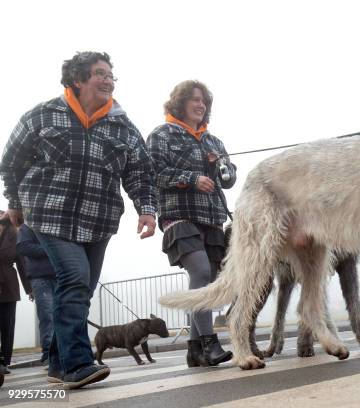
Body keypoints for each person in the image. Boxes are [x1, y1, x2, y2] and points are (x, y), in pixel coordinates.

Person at [0, 51, 157, 389]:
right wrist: (15, 200)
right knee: (73, 279)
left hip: (98, 220)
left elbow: (140, 172)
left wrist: (146, 209)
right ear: (78, 79)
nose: (109, 80)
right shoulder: (42, 115)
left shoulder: (122, 126)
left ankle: (57, 362)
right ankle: (77, 364)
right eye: (100, 73)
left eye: (111, 75)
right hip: (50, 215)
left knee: (81, 290)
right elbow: (11, 161)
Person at [147, 80, 236, 367]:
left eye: (204, 102)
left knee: (207, 280)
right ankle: (211, 344)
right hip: (179, 216)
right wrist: (192, 179)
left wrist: (224, 168)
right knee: (199, 271)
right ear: (181, 102)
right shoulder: (162, 135)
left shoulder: (213, 141)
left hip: (211, 218)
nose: (200, 105)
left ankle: (194, 349)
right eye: (195, 100)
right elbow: (154, 174)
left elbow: (229, 180)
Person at [17, 224, 56, 366]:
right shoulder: (26, 227)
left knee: (62, 315)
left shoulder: (54, 226)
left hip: (60, 275)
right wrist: (50, 248)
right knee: (47, 316)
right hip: (40, 278)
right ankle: (48, 354)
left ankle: (62, 352)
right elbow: (23, 247)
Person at [0, 213, 32, 375]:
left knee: (7, 325)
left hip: (8, 285)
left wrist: (30, 289)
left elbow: (22, 263)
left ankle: (4, 362)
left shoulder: (14, 233)